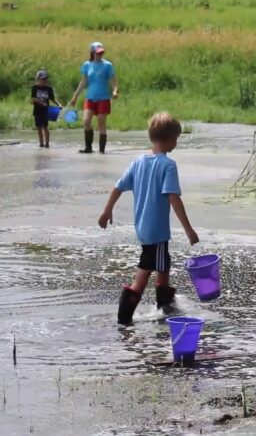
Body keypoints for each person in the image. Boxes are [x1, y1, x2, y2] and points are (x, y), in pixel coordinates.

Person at [98, 112, 199, 325]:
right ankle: (127, 317)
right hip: (158, 231)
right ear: (170, 139)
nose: (176, 143)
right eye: (176, 139)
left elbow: (118, 187)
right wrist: (189, 230)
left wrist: (107, 211)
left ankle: (164, 310)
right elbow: (174, 198)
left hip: (143, 229)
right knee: (145, 271)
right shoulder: (167, 165)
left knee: (162, 264)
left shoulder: (138, 162)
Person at [68, 42, 119, 154]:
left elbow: (113, 80)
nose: (100, 55)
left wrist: (115, 90)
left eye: (101, 53)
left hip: (103, 98)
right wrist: (75, 96)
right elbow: (83, 82)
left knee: (101, 124)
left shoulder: (107, 65)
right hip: (90, 98)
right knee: (86, 122)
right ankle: (88, 148)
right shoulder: (87, 65)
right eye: (97, 53)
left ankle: (101, 151)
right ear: (92, 53)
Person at [31, 69, 62, 148]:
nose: (44, 81)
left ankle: (47, 144)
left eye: (45, 79)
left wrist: (59, 104)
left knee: (45, 127)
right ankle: (41, 143)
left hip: (46, 111)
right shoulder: (35, 87)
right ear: (38, 79)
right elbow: (34, 99)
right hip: (37, 110)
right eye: (42, 79)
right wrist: (42, 103)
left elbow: (53, 99)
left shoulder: (49, 88)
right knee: (39, 127)